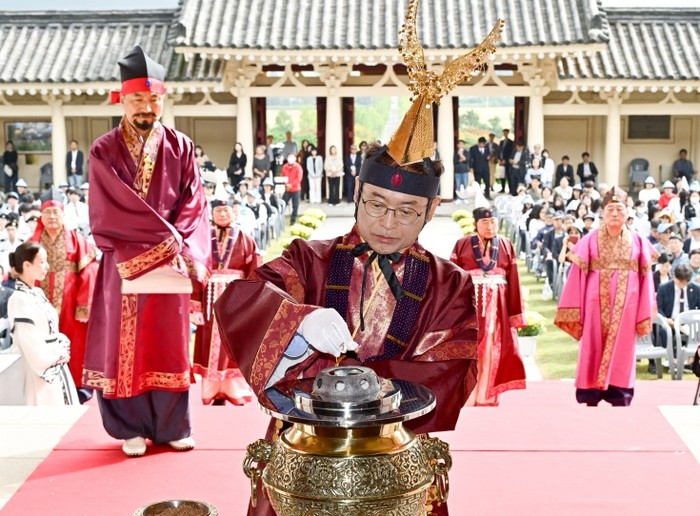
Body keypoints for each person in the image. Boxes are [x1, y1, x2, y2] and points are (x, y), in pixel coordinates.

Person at [215, 8, 502, 513]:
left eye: (407, 211)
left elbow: (451, 370)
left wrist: (350, 387)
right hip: (303, 454)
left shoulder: (450, 283)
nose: (388, 223)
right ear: (356, 194)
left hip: (396, 460)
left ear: (431, 208)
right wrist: (298, 322)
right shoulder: (309, 259)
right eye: (376, 204)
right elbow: (242, 299)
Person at [83, 46, 211, 457]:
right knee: (124, 344)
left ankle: (171, 425)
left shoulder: (181, 146)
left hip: (169, 263)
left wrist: (178, 243)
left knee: (168, 342)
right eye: (138, 98)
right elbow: (110, 209)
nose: (146, 107)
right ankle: (130, 427)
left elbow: (195, 203)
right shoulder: (104, 150)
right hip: (123, 263)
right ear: (122, 99)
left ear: (163, 100)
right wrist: (165, 238)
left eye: (153, 99)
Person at [554, 187, 657, 406]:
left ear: (627, 213)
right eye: (610, 210)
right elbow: (577, 275)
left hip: (627, 307)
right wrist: (576, 308)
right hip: (594, 305)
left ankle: (619, 392)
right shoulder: (590, 240)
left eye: (619, 209)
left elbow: (646, 279)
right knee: (592, 344)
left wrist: (643, 310)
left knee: (623, 347)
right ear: (602, 213)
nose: (615, 214)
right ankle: (589, 392)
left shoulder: (639, 241)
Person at [450, 207, 526, 406]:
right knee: (469, 348)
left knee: (492, 347)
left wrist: (516, 313)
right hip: (471, 304)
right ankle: (467, 396)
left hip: (497, 307)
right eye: (485, 222)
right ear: (475, 224)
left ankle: (487, 395)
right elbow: (453, 278)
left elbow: (514, 280)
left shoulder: (506, 245)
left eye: (493, 222)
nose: (490, 226)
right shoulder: (462, 244)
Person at [28, 194, 98, 404]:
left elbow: (90, 271)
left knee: (74, 344)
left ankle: (77, 388)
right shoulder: (32, 243)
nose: (52, 217)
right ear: (40, 216)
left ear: (63, 215)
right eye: (47, 213)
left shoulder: (77, 239)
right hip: (40, 301)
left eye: (56, 212)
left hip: (70, 303)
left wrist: (84, 304)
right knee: (40, 342)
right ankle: (46, 386)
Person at [192, 199, 261, 405]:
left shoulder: (246, 239)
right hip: (209, 299)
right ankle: (212, 392)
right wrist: (195, 305)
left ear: (234, 211)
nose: (222, 214)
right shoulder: (203, 239)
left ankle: (235, 392)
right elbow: (195, 270)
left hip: (235, 298)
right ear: (211, 214)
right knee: (209, 343)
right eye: (218, 211)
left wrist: (251, 302)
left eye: (226, 210)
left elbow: (255, 271)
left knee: (233, 344)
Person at [7, 241, 79, 405]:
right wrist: (57, 353)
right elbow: (29, 343)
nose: (47, 266)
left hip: (53, 362)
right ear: (27, 265)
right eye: (42, 262)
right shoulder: (19, 299)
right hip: (38, 369)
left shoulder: (37, 292)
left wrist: (59, 344)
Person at [281, 153, 302, 225]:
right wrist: (286, 184)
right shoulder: (284, 167)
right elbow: (282, 176)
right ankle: (280, 218)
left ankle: (293, 220)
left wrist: (291, 184)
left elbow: (299, 178)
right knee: (283, 204)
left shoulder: (298, 167)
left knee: (295, 206)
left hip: (296, 189)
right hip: (287, 189)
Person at [497, 129, 514, 194]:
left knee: (508, 175)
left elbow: (511, 152)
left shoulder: (511, 142)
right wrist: (499, 159)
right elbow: (499, 151)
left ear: (508, 133)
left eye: (506, 132)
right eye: (504, 132)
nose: (505, 134)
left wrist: (506, 160)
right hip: (501, 161)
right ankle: (503, 188)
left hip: (507, 162)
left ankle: (510, 189)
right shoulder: (501, 142)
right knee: (502, 175)